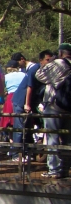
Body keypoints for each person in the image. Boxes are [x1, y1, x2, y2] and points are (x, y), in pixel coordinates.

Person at [35, 43, 71, 178]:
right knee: (67, 139)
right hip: (69, 108)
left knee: (52, 137)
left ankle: (54, 170)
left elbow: (39, 75)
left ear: (61, 53)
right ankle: (65, 168)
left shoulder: (58, 63)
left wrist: (49, 63)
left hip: (54, 105)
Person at [12, 50, 54, 158]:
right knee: (20, 129)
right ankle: (15, 154)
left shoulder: (48, 71)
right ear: (41, 60)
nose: (49, 62)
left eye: (51, 60)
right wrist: (27, 104)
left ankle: (27, 152)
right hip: (21, 101)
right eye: (47, 60)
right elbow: (29, 87)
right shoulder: (34, 69)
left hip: (32, 101)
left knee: (29, 128)